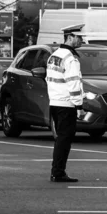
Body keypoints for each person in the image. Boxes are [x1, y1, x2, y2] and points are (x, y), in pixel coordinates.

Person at [46, 23, 85, 183]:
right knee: (64, 139)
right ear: (70, 37)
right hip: (66, 104)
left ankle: (57, 171)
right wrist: (79, 106)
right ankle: (58, 172)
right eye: (79, 37)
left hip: (55, 102)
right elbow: (73, 83)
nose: (82, 40)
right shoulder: (70, 58)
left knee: (60, 138)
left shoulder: (54, 55)